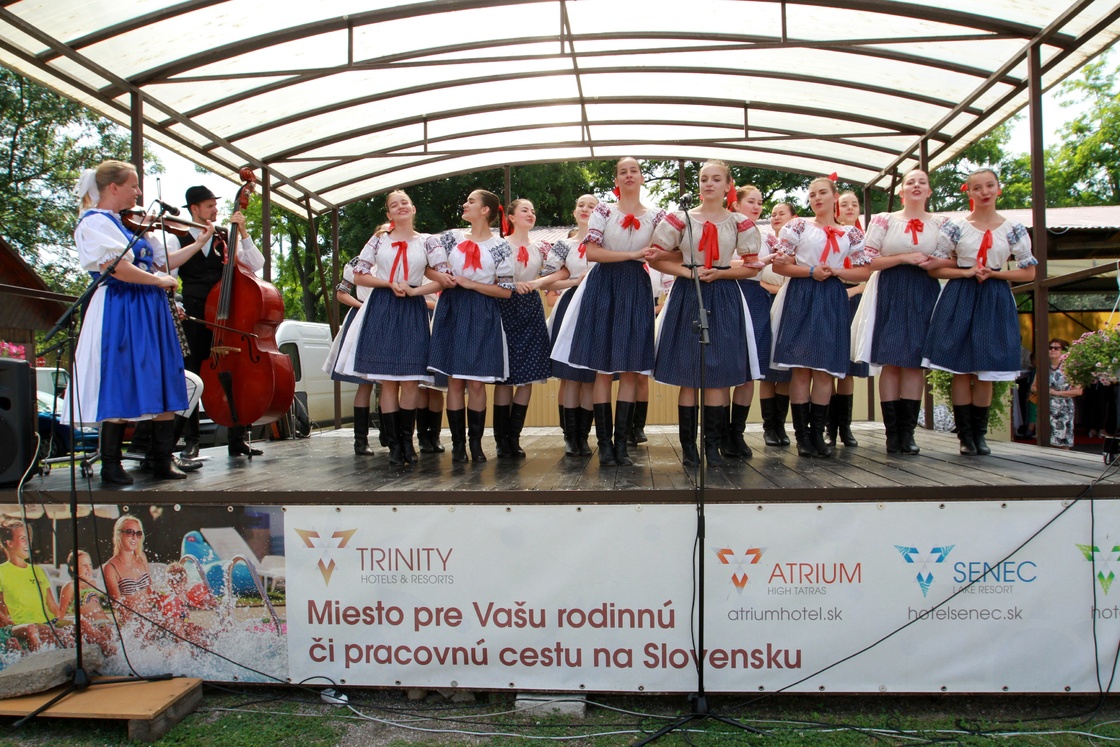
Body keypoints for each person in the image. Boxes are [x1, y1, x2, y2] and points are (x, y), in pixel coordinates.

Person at [65, 161, 214, 483]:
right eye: (133, 185)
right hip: (122, 306)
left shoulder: (127, 225)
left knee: (164, 375)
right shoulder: (94, 222)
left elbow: (164, 263)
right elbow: (116, 268)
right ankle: (111, 464)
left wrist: (200, 243)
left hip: (148, 306)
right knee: (122, 376)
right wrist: (158, 281)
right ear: (113, 187)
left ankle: (161, 459)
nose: (138, 192)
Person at [551, 158, 666, 466]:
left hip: (637, 287)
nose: (628, 175)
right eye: (622, 172)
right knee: (602, 368)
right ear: (617, 179)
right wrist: (634, 254)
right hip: (605, 285)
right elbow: (592, 252)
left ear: (642, 178)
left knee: (630, 369)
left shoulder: (656, 216)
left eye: (634, 171)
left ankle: (621, 444)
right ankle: (604, 445)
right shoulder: (603, 211)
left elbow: (664, 252)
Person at [650, 160, 762, 466]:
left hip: (724, 294)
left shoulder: (739, 222)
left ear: (728, 185)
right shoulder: (681, 218)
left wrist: (721, 273)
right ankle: (689, 448)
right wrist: (689, 273)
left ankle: (712, 448)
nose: (708, 183)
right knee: (689, 373)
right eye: (703, 179)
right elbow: (656, 258)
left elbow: (752, 267)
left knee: (718, 374)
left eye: (715, 179)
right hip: (688, 293)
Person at [923, 168, 1037, 456]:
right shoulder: (956, 227)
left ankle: (979, 435)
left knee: (986, 369)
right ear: (969, 192)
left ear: (999, 189)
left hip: (994, 296)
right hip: (961, 294)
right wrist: (967, 271)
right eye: (977, 187)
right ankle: (965, 436)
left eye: (989, 186)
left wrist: (995, 274)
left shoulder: (1013, 228)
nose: (984, 192)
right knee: (961, 368)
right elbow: (935, 266)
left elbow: (1029, 272)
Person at [771, 176, 871, 458]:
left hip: (831, 296)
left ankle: (818, 434)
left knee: (825, 368)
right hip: (802, 294)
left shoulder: (850, 233)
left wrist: (837, 271)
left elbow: (865, 271)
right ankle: (802, 437)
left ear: (834, 196)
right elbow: (780, 266)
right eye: (812, 194)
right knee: (801, 368)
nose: (816, 198)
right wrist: (811, 271)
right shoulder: (798, 227)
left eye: (822, 193)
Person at [853, 170, 951, 454]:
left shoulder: (942, 223)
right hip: (890, 288)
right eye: (910, 182)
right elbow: (866, 259)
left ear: (929, 191)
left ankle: (908, 434)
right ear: (901, 191)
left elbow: (950, 259)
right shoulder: (884, 220)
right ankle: (892, 433)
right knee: (891, 359)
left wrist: (933, 262)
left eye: (922, 182)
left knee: (914, 361)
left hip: (924, 287)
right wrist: (904, 257)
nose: (916, 185)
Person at [169, 184, 266, 459]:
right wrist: (176, 306)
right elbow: (169, 275)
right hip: (194, 314)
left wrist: (243, 232)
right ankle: (192, 440)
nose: (215, 209)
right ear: (194, 208)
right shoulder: (177, 238)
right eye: (209, 205)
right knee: (191, 376)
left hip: (226, 314)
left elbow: (255, 264)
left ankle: (237, 438)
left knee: (235, 370)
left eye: (215, 204)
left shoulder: (225, 236)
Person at [349, 191, 442, 466]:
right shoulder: (378, 240)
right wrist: (388, 284)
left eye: (404, 202)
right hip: (383, 306)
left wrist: (415, 291)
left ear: (413, 209)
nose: (400, 206)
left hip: (412, 308)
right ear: (389, 214)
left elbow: (443, 278)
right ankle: (394, 445)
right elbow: (359, 275)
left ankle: (407, 441)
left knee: (411, 380)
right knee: (388, 380)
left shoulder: (428, 241)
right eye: (394, 205)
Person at [425, 190, 515, 463]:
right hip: (451, 308)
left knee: (476, 383)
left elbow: (506, 290)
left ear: (485, 210)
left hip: (482, 311)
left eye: (471, 201)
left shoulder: (500, 246)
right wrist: (442, 277)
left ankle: (475, 445)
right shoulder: (450, 237)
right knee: (454, 380)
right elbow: (426, 267)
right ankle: (458, 446)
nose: (465, 204)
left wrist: (471, 283)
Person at [493, 199, 559, 458]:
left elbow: (556, 274)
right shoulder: (499, 245)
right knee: (505, 376)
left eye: (533, 210)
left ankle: (514, 437)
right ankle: (501, 440)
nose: (531, 214)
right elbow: (489, 276)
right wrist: (511, 285)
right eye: (524, 210)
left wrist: (538, 283)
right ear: (511, 216)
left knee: (528, 375)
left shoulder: (541, 247)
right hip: (505, 306)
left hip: (531, 307)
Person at [541, 195, 599, 457]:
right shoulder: (564, 245)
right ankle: (569, 437)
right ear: (574, 212)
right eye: (581, 205)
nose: (585, 209)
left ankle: (583, 437)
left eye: (592, 206)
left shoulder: (606, 243)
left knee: (590, 378)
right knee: (571, 376)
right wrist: (575, 282)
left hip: (598, 307)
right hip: (570, 307)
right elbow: (547, 281)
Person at [323, 248, 380, 456]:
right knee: (364, 383)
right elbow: (341, 293)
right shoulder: (358, 262)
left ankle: (390, 435)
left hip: (387, 317)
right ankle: (360, 440)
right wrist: (364, 306)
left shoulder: (396, 261)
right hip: (361, 319)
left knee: (389, 382)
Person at [830, 190, 869, 448]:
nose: (850, 208)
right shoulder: (829, 232)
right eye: (844, 204)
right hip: (832, 296)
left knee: (847, 369)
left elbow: (870, 274)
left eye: (854, 204)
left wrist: (852, 291)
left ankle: (844, 427)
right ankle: (828, 426)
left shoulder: (864, 238)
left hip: (854, 300)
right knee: (826, 366)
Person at [0, 519, 63, 628]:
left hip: (50, 624)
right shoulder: (2, 572)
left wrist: (62, 624)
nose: (28, 542)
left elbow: (52, 606)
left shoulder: (38, 571)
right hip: (26, 627)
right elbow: (2, 614)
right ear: (10, 543)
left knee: (83, 624)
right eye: (22, 538)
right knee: (36, 630)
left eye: (28, 538)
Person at [58, 550, 117, 656]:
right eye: (84, 565)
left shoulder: (92, 583)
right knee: (85, 624)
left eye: (90, 565)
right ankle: (114, 657)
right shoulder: (70, 586)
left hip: (106, 623)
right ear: (73, 568)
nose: (89, 569)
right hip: (90, 626)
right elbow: (60, 615)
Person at [102, 515, 156, 619]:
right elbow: (117, 605)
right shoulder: (110, 567)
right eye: (130, 532)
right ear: (119, 534)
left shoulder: (141, 557)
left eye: (138, 533)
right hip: (130, 621)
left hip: (150, 616)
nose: (134, 537)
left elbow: (151, 591)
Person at [1036, 338, 1081, 449]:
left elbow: (1078, 391)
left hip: (1064, 408)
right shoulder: (1043, 368)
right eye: (1050, 347)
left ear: (1063, 351)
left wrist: (1057, 393)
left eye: (1056, 348)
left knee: (1063, 441)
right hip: (1046, 407)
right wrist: (1043, 391)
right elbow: (1033, 387)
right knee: (1046, 440)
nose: (1052, 350)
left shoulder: (1070, 369)